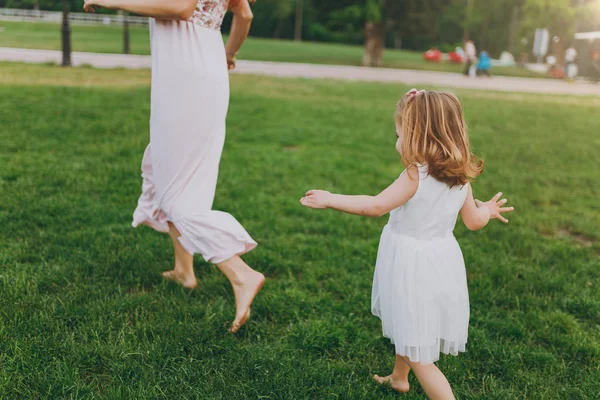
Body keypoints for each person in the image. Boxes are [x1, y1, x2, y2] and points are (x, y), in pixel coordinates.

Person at [300, 89, 513, 398]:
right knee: (409, 322)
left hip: (412, 265)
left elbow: (375, 206)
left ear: (419, 136)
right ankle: (399, 378)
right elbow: (473, 221)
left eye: (399, 133)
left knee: (421, 357)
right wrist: (488, 211)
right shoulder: (460, 177)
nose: (396, 141)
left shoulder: (416, 175)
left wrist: (331, 199)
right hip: (440, 261)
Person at [83, 0, 265, 333]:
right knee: (170, 168)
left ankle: (241, 274)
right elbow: (245, 14)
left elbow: (180, 8)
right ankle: (184, 271)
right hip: (201, 66)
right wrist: (227, 53)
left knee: (175, 189)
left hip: (186, 75)